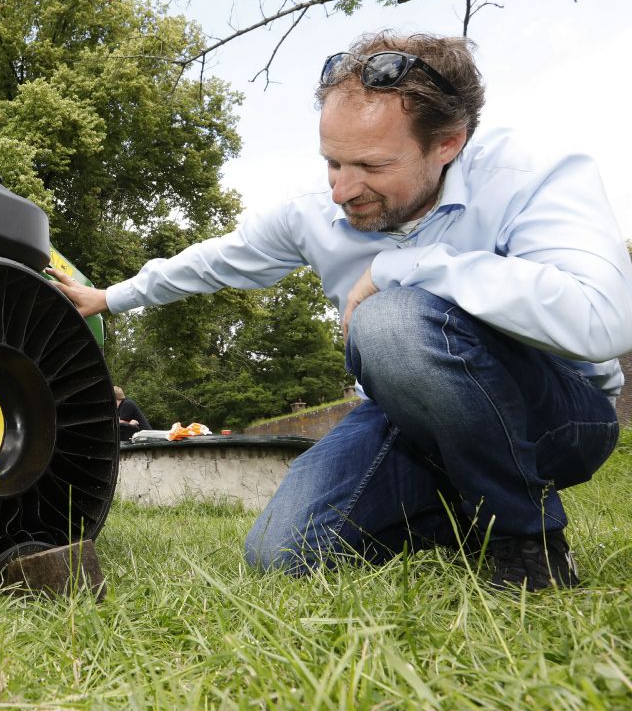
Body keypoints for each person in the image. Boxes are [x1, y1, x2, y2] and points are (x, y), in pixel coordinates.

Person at [49, 31, 632, 591]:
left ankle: (525, 540)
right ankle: (460, 507)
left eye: (372, 167)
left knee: (389, 320)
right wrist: (109, 298)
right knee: (283, 553)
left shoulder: (531, 176)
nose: (341, 190)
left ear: (448, 144)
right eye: (332, 162)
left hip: (558, 416)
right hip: (407, 419)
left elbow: (604, 317)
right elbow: (215, 261)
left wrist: (404, 267)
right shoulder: (313, 213)